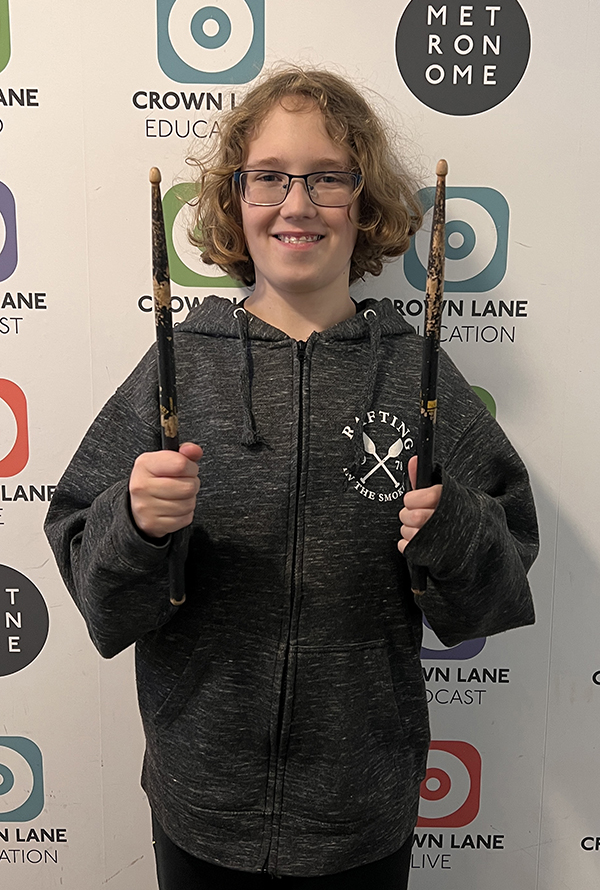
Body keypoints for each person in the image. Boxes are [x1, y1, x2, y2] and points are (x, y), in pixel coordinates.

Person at [44, 67, 538, 889]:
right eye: (269, 177)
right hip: (201, 804)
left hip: (361, 809)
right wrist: (134, 525)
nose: (297, 202)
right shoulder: (180, 368)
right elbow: (99, 593)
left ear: (365, 201)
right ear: (236, 199)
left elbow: (494, 591)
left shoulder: (418, 374)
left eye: (326, 178)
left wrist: (453, 529)